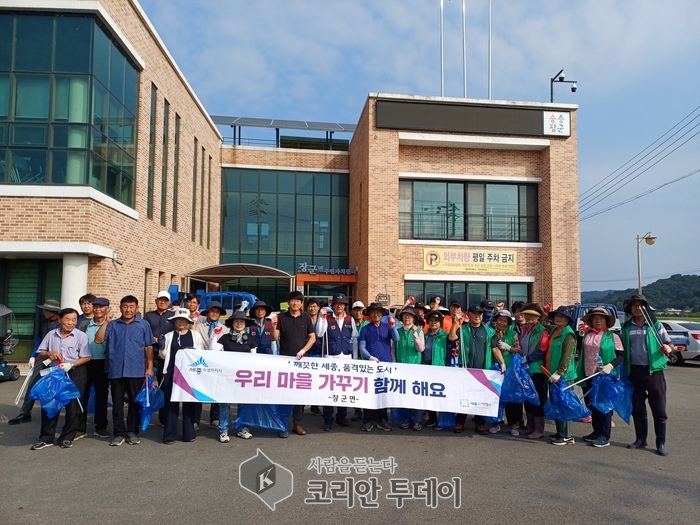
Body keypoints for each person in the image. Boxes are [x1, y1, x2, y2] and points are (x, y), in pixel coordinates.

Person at [94, 295, 154, 446]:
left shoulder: (143, 324)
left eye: (131, 307)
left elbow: (148, 347)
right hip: (116, 369)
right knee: (117, 403)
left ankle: (132, 431)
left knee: (135, 403)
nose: (128, 310)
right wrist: (106, 322)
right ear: (120, 308)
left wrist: (150, 367)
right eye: (125, 307)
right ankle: (119, 433)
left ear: (137, 308)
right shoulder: (113, 324)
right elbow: (98, 339)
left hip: (136, 369)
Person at [30, 308, 91, 450]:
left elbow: (87, 356)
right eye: (67, 319)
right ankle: (46, 438)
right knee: (50, 403)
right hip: (55, 372)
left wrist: (71, 364)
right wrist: (49, 353)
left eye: (74, 320)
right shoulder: (51, 335)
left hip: (75, 372)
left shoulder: (81, 336)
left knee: (73, 406)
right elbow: (40, 352)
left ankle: (67, 437)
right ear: (60, 320)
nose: (70, 323)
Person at [621, 294, 673, 456]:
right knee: (638, 407)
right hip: (634, 371)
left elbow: (669, 343)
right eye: (634, 306)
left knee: (659, 408)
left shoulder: (655, 325)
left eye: (641, 305)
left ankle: (660, 443)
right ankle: (641, 439)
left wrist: (669, 348)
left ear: (646, 308)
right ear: (630, 308)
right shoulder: (627, 327)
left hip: (653, 371)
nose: (637, 308)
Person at [270, 290, 316, 437]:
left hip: (302, 361)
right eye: (292, 300)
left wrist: (303, 350)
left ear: (302, 304)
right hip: (285, 361)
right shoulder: (281, 317)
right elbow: (273, 338)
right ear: (288, 302)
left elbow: (312, 338)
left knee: (299, 395)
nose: (295, 303)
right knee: (284, 394)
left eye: (298, 301)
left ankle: (297, 423)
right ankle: (282, 425)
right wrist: (274, 326)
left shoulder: (306, 318)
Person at [9, 299, 62, 425]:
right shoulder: (44, 322)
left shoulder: (61, 323)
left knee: (57, 387)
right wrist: (33, 355)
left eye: (46, 309)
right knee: (32, 384)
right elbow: (39, 339)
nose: (44, 311)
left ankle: (56, 415)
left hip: (58, 358)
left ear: (53, 311)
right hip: (43, 356)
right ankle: (25, 413)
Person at [448, 304, 499, 435]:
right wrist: (455, 322)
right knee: (463, 395)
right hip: (465, 368)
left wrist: (502, 364)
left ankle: (479, 423)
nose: (478, 316)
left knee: (481, 396)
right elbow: (452, 338)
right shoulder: (463, 329)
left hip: (483, 370)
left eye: (480, 314)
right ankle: (460, 422)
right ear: (468, 315)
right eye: (475, 313)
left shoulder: (489, 331)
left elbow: (494, 348)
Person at [578, 307, 625, 448]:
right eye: (595, 318)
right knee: (591, 403)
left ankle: (604, 435)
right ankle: (596, 431)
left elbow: (621, 356)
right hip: (588, 373)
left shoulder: (613, 337)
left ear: (606, 321)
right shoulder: (587, 334)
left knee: (603, 405)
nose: (598, 321)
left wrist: (610, 365)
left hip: (605, 375)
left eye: (601, 318)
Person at [160, 308, 206, 444]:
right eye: (178, 320)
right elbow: (164, 356)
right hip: (171, 373)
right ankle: (169, 435)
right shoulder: (168, 336)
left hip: (189, 375)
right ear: (174, 321)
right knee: (171, 404)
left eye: (183, 320)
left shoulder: (195, 335)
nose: (180, 322)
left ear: (187, 321)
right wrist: (162, 348)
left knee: (189, 404)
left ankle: (189, 433)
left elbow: (200, 353)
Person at [315, 293, 357, 430]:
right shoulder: (327, 318)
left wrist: (354, 359)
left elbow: (354, 339)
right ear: (332, 305)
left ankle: (341, 417)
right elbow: (319, 334)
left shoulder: (350, 319)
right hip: (330, 358)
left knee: (343, 389)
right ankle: (328, 419)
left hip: (346, 358)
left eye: (342, 304)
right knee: (329, 389)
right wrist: (321, 318)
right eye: (337, 304)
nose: (339, 306)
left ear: (345, 306)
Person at [215, 311, 258, 442]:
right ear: (232, 323)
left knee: (243, 404)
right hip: (227, 376)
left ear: (245, 324)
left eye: (242, 322)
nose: (239, 324)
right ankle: (223, 430)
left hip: (244, 377)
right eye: (236, 321)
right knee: (225, 404)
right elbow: (212, 352)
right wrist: (215, 336)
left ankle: (241, 428)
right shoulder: (225, 338)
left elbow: (254, 358)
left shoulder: (250, 339)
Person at [358, 302, 399, 432]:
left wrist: (393, 327)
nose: (376, 314)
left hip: (385, 364)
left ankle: (382, 419)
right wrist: (369, 357)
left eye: (378, 312)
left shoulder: (387, 327)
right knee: (368, 393)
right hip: (370, 365)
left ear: (382, 315)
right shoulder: (365, 329)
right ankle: (368, 420)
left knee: (382, 393)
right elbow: (362, 347)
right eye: (373, 312)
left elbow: (397, 339)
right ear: (369, 314)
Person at [77, 297, 111, 439]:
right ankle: (80, 427)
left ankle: (101, 426)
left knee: (101, 396)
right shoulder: (84, 325)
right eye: (95, 306)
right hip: (85, 363)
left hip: (102, 363)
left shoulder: (111, 324)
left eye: (101, 307)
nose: (97, 309)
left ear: (107, 308)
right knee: (82, 395)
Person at [544, 306, 578, 445]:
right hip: (552, 375)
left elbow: (567, 356)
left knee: (564, 404)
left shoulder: (568, 334)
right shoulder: (554, 330)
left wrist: (559, 372)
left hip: (563, 376)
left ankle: (567, 435)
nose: (558, 318)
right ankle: (560, 432)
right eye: (557, 316)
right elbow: (541, 323)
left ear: (567, 319)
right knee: (557, 403)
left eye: (562, 316)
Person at [193, 300, 228, 429]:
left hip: (217, 363)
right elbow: (192, 334)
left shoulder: (224, 328)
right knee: (199, 391)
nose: (214, 313)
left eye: (217, 312)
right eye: (212, 311)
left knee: (216, 391)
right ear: (207, 312)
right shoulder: (199, 326)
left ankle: (215, 418)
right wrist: (195, 320)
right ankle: (195, 419)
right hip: (201, 362)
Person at [144, 290, 175, 426]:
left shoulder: (173, 316)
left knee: (164, 386)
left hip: (165, 356)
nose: (163, 302)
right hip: (149, 353)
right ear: (156, 301)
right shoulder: (148, 316)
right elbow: (144, 332)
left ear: (169, 302)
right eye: (160, 300)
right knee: (145, 386)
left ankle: (164, 418)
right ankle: (143, 415)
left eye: (165, 300)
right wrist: (153, 339)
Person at [489, 309, 520, 435]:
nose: (502, 323)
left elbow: (519, 350)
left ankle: (513, 425)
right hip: (494, 370)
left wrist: (509, 348)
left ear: (508, 323)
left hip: (510, 370)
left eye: (505, 321)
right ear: (496, 321)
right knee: (496, 397)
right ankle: (496, 423)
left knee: (511, 397)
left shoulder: (513, 334)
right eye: (500, 320)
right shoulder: (491, 333)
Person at [394, 306, 425, 430]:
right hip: (401, 367)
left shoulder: (418, 331)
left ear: (413, 318)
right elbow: (393, 349)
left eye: (410, 316)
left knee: (415, 395)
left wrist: (415, 335)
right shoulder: (398, 331)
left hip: (414, 368)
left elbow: (421, 348)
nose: (407, 317)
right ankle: (405, 419)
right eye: (405, 315)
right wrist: (394, 363)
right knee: (403, 395)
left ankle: (417, 420)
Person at [422, 310, 448, 428]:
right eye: (431, 320)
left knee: (440, 395)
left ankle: (442, 420)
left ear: (440, 323)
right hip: (426, 369)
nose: (433, 323)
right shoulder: (425, 335)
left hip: (440, 369)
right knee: (428, 394)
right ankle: (432, 418)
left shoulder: (445, 336)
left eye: (436, 321)